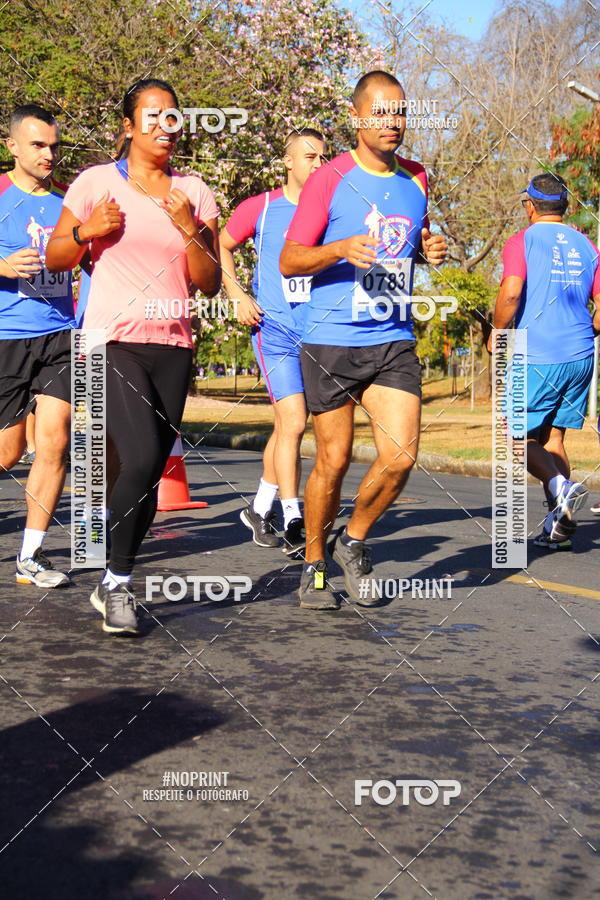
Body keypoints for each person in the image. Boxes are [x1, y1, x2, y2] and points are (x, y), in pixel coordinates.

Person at [46, 78, 220, 634]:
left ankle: (108, 562)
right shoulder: (97, 181)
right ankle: (118, 582)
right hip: (108, 338)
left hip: (173, 345)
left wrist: (191, 230)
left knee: (142, 473)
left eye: (173, 116)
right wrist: (85, 229)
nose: (165, 126)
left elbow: (209, 282)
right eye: (152, 116)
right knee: (143, 456)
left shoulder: (193, 191)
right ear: (128, 126)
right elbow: (56, 256)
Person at [280, 71, 446, 609]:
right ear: (358, 118)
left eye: (400, 112)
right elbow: (290, 260)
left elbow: (406, 244)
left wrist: (427, 249)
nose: (393, 122)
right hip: (330, 338)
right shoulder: (330, 178)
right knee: (335, 459)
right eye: (381, 113)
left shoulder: (417, 177)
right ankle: (313, 567)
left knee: (400, 456)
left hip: (392, 334)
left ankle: (352, 540)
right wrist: (339, 249)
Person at [220, 128, 326, 555]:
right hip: (275, 332)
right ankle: (294, 515)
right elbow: (221, 244)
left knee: (288, 426)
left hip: (319, 334)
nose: (319, 164)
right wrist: (237, 296)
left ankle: (258, 509)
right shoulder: (261, 207)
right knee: (296, 422)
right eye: (310, 156)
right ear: (287, 161)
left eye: (323, 157)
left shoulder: (331, 210)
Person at [491, 172, 600, 549]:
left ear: (529, 206)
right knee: (553, 439)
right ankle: (558, 525)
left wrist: (498, 332)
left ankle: (562, 487)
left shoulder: (523, 239)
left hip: (537, 354)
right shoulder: (586, 244)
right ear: (566, 207)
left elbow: (510, 293)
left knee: (513, 437)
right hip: (581, 355)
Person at [0, 104, 76, 588]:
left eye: (53, 145)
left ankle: (30, 556)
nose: (49, 154)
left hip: (60, 335)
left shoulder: (67, 204)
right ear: (11, 146)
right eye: (37, 145)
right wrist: (3, 267)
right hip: (6, 337)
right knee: (7, 453)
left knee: (54, 441)